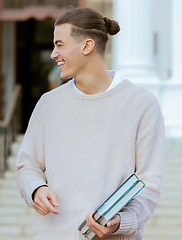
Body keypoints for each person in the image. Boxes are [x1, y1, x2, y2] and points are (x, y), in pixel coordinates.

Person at [16, 8, 164, 240]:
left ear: (87, 46)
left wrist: (120, 222)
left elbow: (148, 183)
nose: (53, 54)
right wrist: (36, 189)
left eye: (60, 44)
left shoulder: (142, 104)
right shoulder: (48, 104)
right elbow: (27, 165)